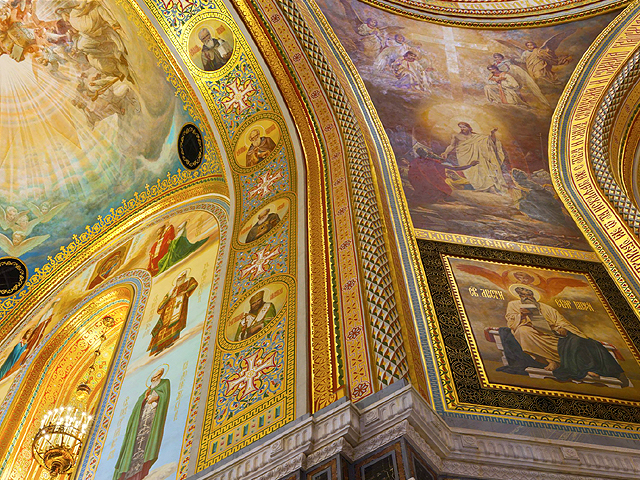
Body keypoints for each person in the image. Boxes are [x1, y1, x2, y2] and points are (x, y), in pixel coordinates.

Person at [505, 286, 584, 371]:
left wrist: (562, 328)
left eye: (529, 295)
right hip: (531, 331)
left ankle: (568, 362)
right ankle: (550, 361)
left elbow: (560, 320)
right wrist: (522, 315)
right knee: (523, 331)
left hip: (551, 332)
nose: (527, 298)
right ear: (520, 296)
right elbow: (511, 321)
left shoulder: (546, 308)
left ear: (533, 296)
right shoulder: (513, 304)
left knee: (574, 341)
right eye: (523, 296)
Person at [113, 368, 170, 480]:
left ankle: (140, 474)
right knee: (134, 448)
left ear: (160, 376)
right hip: (140, 426)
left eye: (157, 376)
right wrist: (145, 399)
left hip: (151, 423)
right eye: (153, 377)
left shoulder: (165, 384)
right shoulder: (146, 391)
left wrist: (157, 397)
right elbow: (138, 406)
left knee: (144, 448)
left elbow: (164, 396)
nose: (155, 379)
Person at [441, 122, 509, 194]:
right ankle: (481, 187)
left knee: (483, 169)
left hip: (478, 156)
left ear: (469, 128)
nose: (462, 129)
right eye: (460, 127)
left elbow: (490, 141)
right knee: (471, 172)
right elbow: (452, 146)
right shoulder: (456, 136)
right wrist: (446, 152)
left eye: (464, 127)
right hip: (464, 156)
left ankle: (490, 187)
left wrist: (492, 133)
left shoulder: (477, 136)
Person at [553, 327, 628, 386]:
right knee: (575, 343)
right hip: (568, 340)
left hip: (575, 338)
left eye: (559, 329)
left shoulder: (573, 336)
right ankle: (586, 369)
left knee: (588, 343)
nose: (558, 331)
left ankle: (614, 372)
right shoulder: (567, 339)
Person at [148, 271, 198, 356]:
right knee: (162, 328)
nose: (180, 280)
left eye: (181, 278)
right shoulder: (172, 290)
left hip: (177, 306)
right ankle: (158, 348)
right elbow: (165, 300)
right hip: (168, 310)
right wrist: (162, 304)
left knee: (175, 324)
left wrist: (185, 291)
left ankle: (171, 341)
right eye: (179, 279)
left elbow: (194, 284)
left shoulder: (188, 281)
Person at [408, 147, 479, 203]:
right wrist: (470, 165)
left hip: (425, 186)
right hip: (431, 187)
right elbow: (455, 168)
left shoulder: (417, 161)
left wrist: (470, 165)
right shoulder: (433, 163)